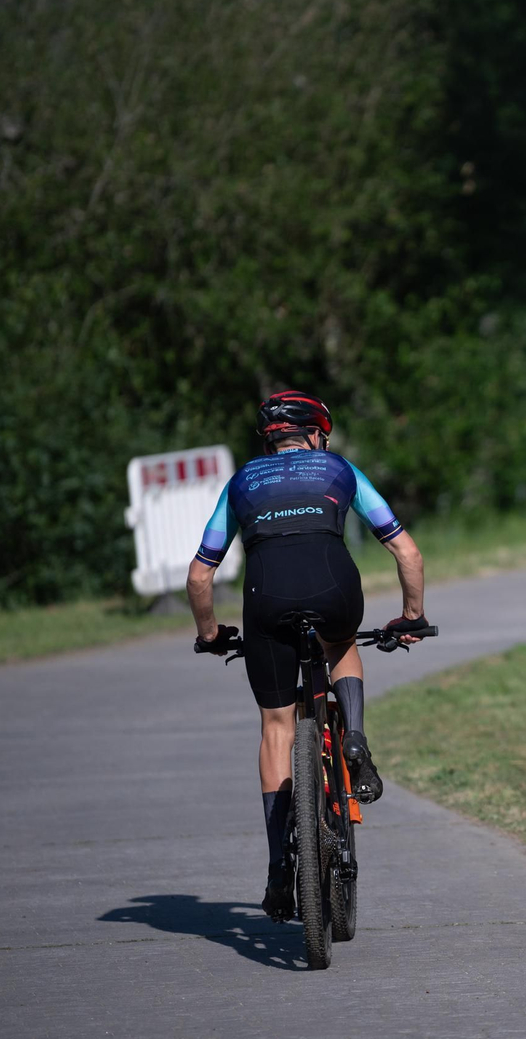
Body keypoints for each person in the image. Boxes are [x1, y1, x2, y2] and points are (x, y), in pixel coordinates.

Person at [186, 390, 429, 923]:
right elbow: (406, 551)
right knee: (339, 642)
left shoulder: (241, 481)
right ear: (317, 435)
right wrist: (411, 616)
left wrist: (210, 634)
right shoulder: (340, 471)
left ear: (270, 441)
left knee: (276, 727)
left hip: (266, 599)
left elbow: (201, 575)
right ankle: (356, 738)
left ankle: (279, 867)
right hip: (333, 588)